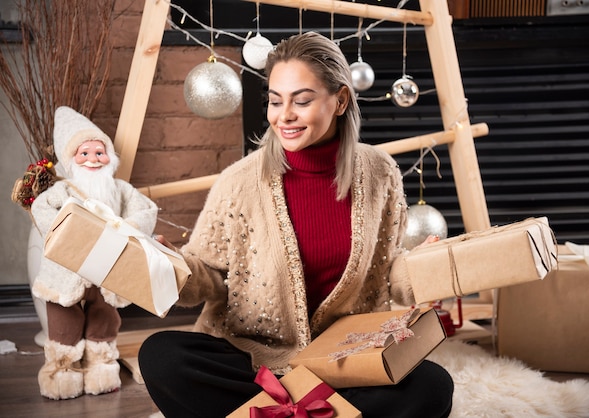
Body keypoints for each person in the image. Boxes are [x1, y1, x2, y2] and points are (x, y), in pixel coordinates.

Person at [139, 32, 453, 417]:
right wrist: (171, 266)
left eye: (301, 101)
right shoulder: (239, 182)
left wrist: (427, 268)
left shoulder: (380, 173)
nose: (283, 115)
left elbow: (390, 271)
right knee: (162, 356)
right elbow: (208, 275)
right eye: (275, 100)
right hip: (254, 360)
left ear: (340, 100)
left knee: (433, 386)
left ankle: (277, 410)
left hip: (344, 362)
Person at [30, 106, 158, 400]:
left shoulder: (119, 189)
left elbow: (144, 209)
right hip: (66, 272)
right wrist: (67, 231)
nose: (92, 159)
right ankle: (62, 371)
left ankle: (101, 365)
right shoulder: (62, 191)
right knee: (64, 321)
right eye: (84, 153)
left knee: (104, 318)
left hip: (105, 271)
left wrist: (126, 227)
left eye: (99, 153)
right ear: (70, 159)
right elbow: (41, 210)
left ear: (109, 157)